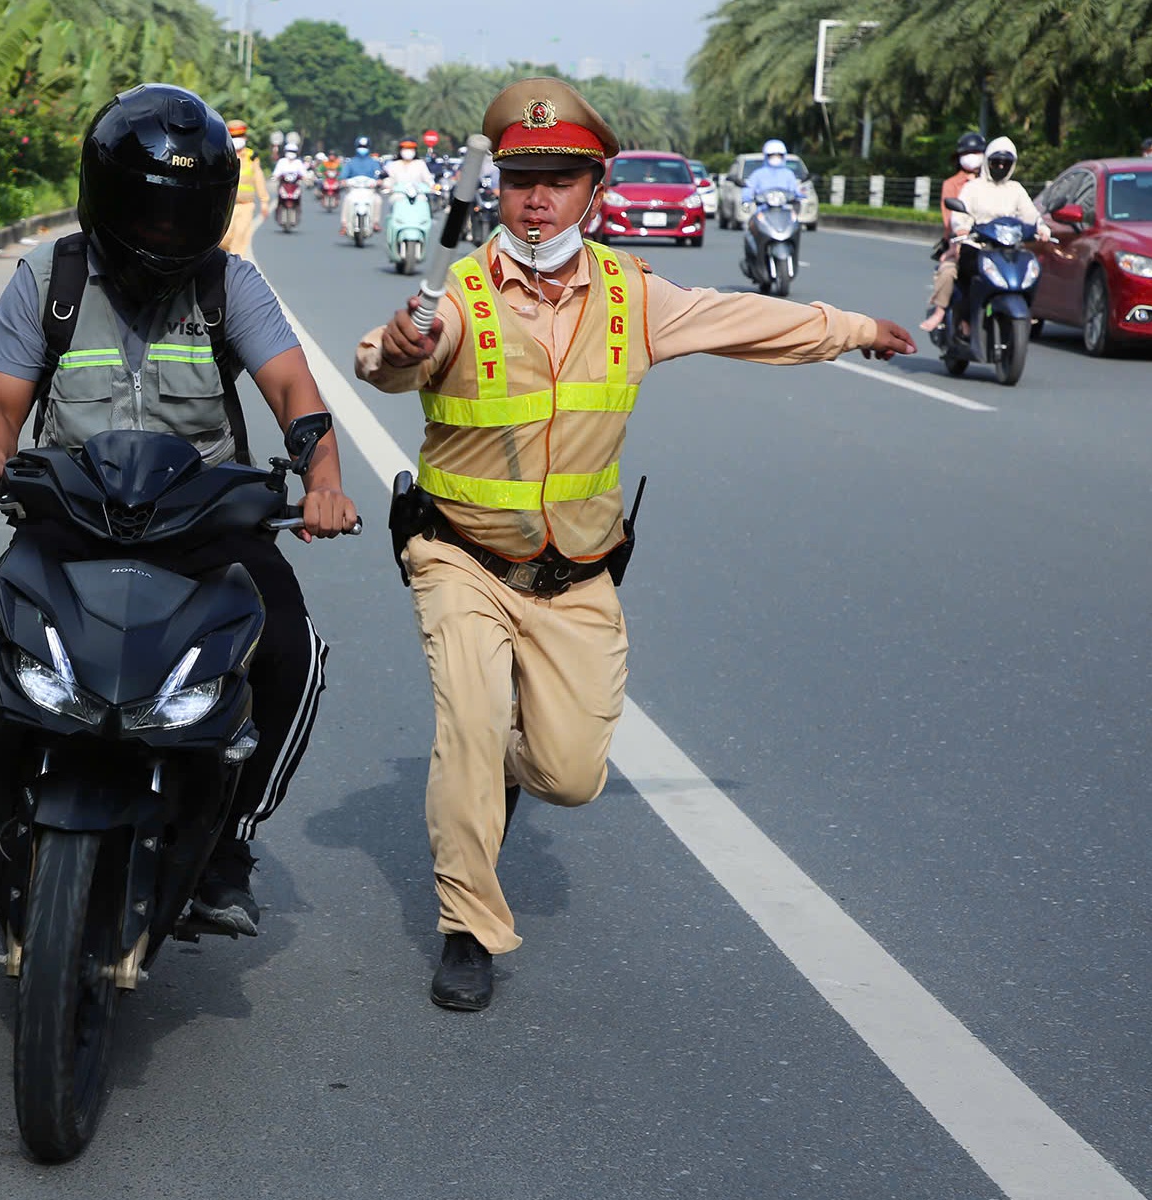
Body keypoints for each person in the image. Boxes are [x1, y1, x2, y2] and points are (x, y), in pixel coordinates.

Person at [353, 78, 916, 1012]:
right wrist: (400, 346)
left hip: (575, 571)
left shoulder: (632, 297)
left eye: (560, 180)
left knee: (570, 775)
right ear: (496, 185)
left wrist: (851, 329)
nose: (539, 199)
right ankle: (468, 926)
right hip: (459, 553)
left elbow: (742, 318)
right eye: (522, 178)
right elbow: (388, 360)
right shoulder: (457, 295)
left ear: (594, 189)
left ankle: (499, 771)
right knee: (470, 724)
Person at [0, 83, 360, 936]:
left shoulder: (232, 287)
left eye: (186, 217)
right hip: (71, 512)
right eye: (150, 216)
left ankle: (229, 841)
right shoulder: (52, 279)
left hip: (205, 522)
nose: (167, 236)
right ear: (108, 200)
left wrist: (324, 476)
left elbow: (295, 393)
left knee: (289, 647)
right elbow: (0, 402)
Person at [920, 131, 987, 332]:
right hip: (961, 241)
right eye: (968, 152)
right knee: (949, 271)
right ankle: (940, 312)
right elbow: (950, 220)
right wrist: (956, 244)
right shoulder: (951, 185)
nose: (973, 156)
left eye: (977, 152)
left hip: (991, 242)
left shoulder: (992, 183)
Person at [220, 118, 272, 257]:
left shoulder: (251, 156)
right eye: (234, 136)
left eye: (239, 136)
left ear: (245, 137)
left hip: (245, 205)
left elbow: (259, 178)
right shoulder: (222, 154)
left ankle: (233, 272)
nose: (237, 139)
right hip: (225, 205)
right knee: (222, 239)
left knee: (240, 239)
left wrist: (264, 201)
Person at [339, 136, 384, 234]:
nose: (362, 148)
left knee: (378, 200)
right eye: (360, 146)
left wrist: (379, 181)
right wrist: (343, 181)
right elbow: (343, 176)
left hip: (369, 190)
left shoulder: (374, 163)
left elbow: (378, 174)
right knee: (347, 200)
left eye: (365, 146)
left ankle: (375, 222)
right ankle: (344, 225)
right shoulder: (351, 162)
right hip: (354, 190)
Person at [740, 138, 801, 205]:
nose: (775, 158)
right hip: (763, 209)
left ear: (783, 156)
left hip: (785, 209)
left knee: (794, 215)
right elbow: (749, 187)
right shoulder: (758, 174)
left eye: (778, 156)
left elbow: (795, 189)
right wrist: (746, 199)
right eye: (772, 156)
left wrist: (800, 196)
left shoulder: (788, 173)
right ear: (766, 156)